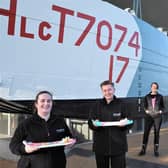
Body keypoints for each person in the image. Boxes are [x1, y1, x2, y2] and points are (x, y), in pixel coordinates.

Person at [9, 91, 72, 168]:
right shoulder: (26, 124)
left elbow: (68, 137)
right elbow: (13, 145)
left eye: (49, 101)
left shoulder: (60, 121)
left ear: (52, 103)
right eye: (42, 101)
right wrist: (25, 149)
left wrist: (69, 142)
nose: (46, 103)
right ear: (36, 104)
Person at [88, 80, 133, 168]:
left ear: (114, 90)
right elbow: (90, 122)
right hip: (100, 147)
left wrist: (124, 125)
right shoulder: (96, 105)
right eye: (105, 90)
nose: (107, 92)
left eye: (109, 90)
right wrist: (94, 125)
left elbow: (130, 120)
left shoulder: (122, 104)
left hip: (118, 147)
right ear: (102, 91)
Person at [138, 82, 164, 157]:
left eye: (155, 87)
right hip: (149, 117)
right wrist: (146, 110)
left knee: (157, 133)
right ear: (151, 87)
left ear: (157, 88)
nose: (154, 88)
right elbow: (144, 106)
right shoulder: (146, 96)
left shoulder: (160, 96)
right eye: (153, 86)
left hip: (157, 117)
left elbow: (163, 106)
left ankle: (156, 150)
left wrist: (160, 111)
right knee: (146, 132)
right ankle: (143, 150)